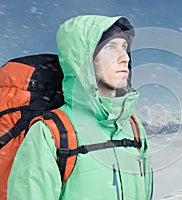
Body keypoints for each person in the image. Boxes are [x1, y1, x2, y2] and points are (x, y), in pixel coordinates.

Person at [8, 15, 153, 200]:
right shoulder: (50, 133)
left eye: (124, 47)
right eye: (110, 47)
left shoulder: (132, 125)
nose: (124, 58)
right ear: (83, 60)